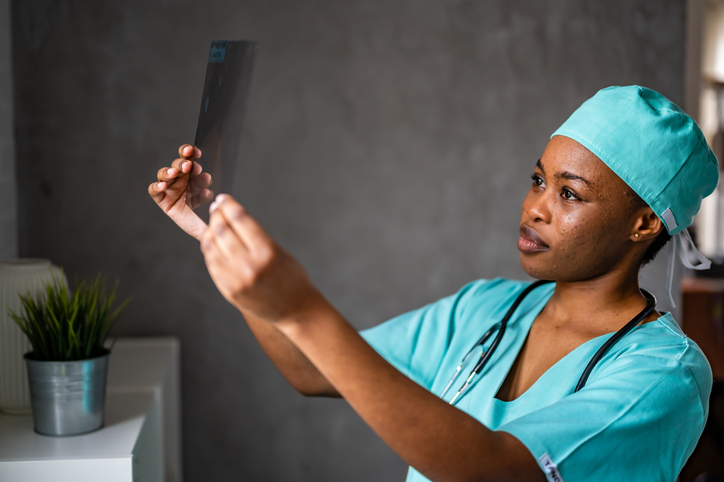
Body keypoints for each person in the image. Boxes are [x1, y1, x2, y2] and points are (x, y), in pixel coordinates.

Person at [148, 85, 716, 482]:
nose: (534, 208)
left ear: (644, 223)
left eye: (569, 193)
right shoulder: (486, 309)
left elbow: (493, 470)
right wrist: (212, 234)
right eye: (538, 179)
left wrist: (302, 306)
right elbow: (314, 368)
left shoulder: (663, 376)